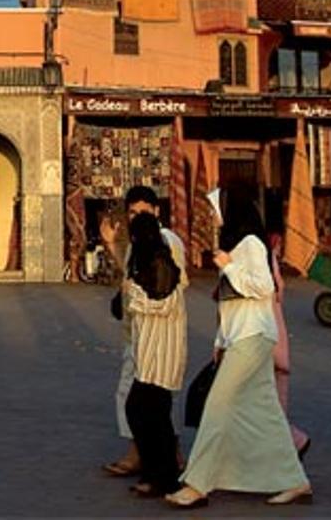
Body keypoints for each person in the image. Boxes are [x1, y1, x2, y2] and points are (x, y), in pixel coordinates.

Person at [165, 190, 311, 508]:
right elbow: (230, 304)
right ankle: (295, 481)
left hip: (253, 336)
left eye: (218, 211)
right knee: (266, 412)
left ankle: (197, 483)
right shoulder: (237, 247)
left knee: (217, 406)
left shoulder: (250, 245)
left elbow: (263, 287)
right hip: (244, 337)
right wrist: (220, 341)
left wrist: (229, 266)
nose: (214, 217)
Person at [99, 186, 186, 478]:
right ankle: (150, 456)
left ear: (157, 211)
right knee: (136, 395)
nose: (137, 218)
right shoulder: (138, 242)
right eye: (132, 212)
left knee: (153, 398)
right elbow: (129, 278)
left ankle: (156, 460)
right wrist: (112, 246)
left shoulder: (166, 241)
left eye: (143, 212)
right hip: (137, 333)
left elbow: (167, 286)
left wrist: (136, 299)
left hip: (160, 333)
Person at [122, 213, 187, 497]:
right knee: (147, 413)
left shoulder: (161, 263)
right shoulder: (146, 260)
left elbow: (160, 302)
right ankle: (157, 473)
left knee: (147, 413)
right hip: (150, 353)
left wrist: (132, 293)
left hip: (163, 353)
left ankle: (165, 476)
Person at [267, 233, 312, 457]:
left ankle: (294, 442)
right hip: (274, 330)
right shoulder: (266, 258)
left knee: (265, 405)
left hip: (263, 334)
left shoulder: (255, 259)